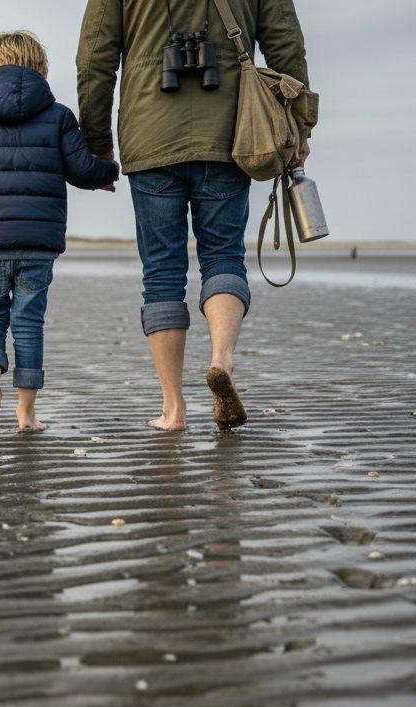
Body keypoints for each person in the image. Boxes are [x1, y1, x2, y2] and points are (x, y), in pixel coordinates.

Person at [77, 0, 312, 431]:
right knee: (223, 255)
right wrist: (298, 125)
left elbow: (95, 57)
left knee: (162, 273)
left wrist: (96, 140)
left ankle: (173, 409)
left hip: (149, 138)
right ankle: (222, 358)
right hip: (229, 133)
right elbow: (286, 44)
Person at [0, 30, 120, 432]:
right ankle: (26, 415)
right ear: (40, 66)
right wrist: (110, 171)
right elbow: (81, 169)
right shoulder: (57, 115)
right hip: (38, 242)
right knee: (28, 321)